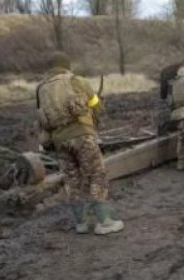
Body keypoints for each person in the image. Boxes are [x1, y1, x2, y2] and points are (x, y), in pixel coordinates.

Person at [36, 52, 124, 235]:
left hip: (59, 141)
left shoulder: (41, 89)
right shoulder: (77, 81)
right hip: (82, 136)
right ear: (67, 66)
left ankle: (81, 223)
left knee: (72, 180)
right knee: (96, 175)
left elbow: (42, 117)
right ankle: (104, 222)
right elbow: (97, 107)